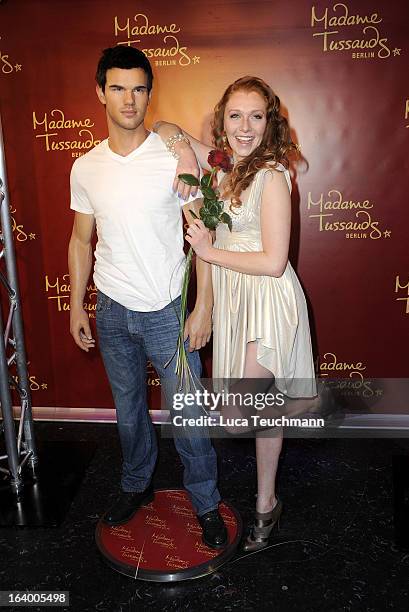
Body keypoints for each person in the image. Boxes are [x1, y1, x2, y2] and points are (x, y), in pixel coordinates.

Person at [67, 46, 227, 549]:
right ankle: (136, 485)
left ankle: (205, 501)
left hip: (167, 308)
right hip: (112, 307)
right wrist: (76, 303)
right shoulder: (85, 166)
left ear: (149, 93)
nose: (129, 99)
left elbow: (202, 231)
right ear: (100, 93)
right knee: (130, 409)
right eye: (118, 87)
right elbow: (79, 239)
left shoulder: (171, 155)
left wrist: (203, 306)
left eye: (138, 88)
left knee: (189, 416)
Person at [154, 76, 317, 551]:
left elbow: (273, 261)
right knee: (256, 410)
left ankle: (291, 420)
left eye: (257, 116)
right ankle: (267, 502)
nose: (246, 126)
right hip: (234, 301)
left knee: (236, 414)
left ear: (271, 124)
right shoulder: (221, 164)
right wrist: (186, 150)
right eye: (236, 115)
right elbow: (163, 126)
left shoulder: (272, 174)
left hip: (266, 299)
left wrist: (207, 250)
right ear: (222, 121)